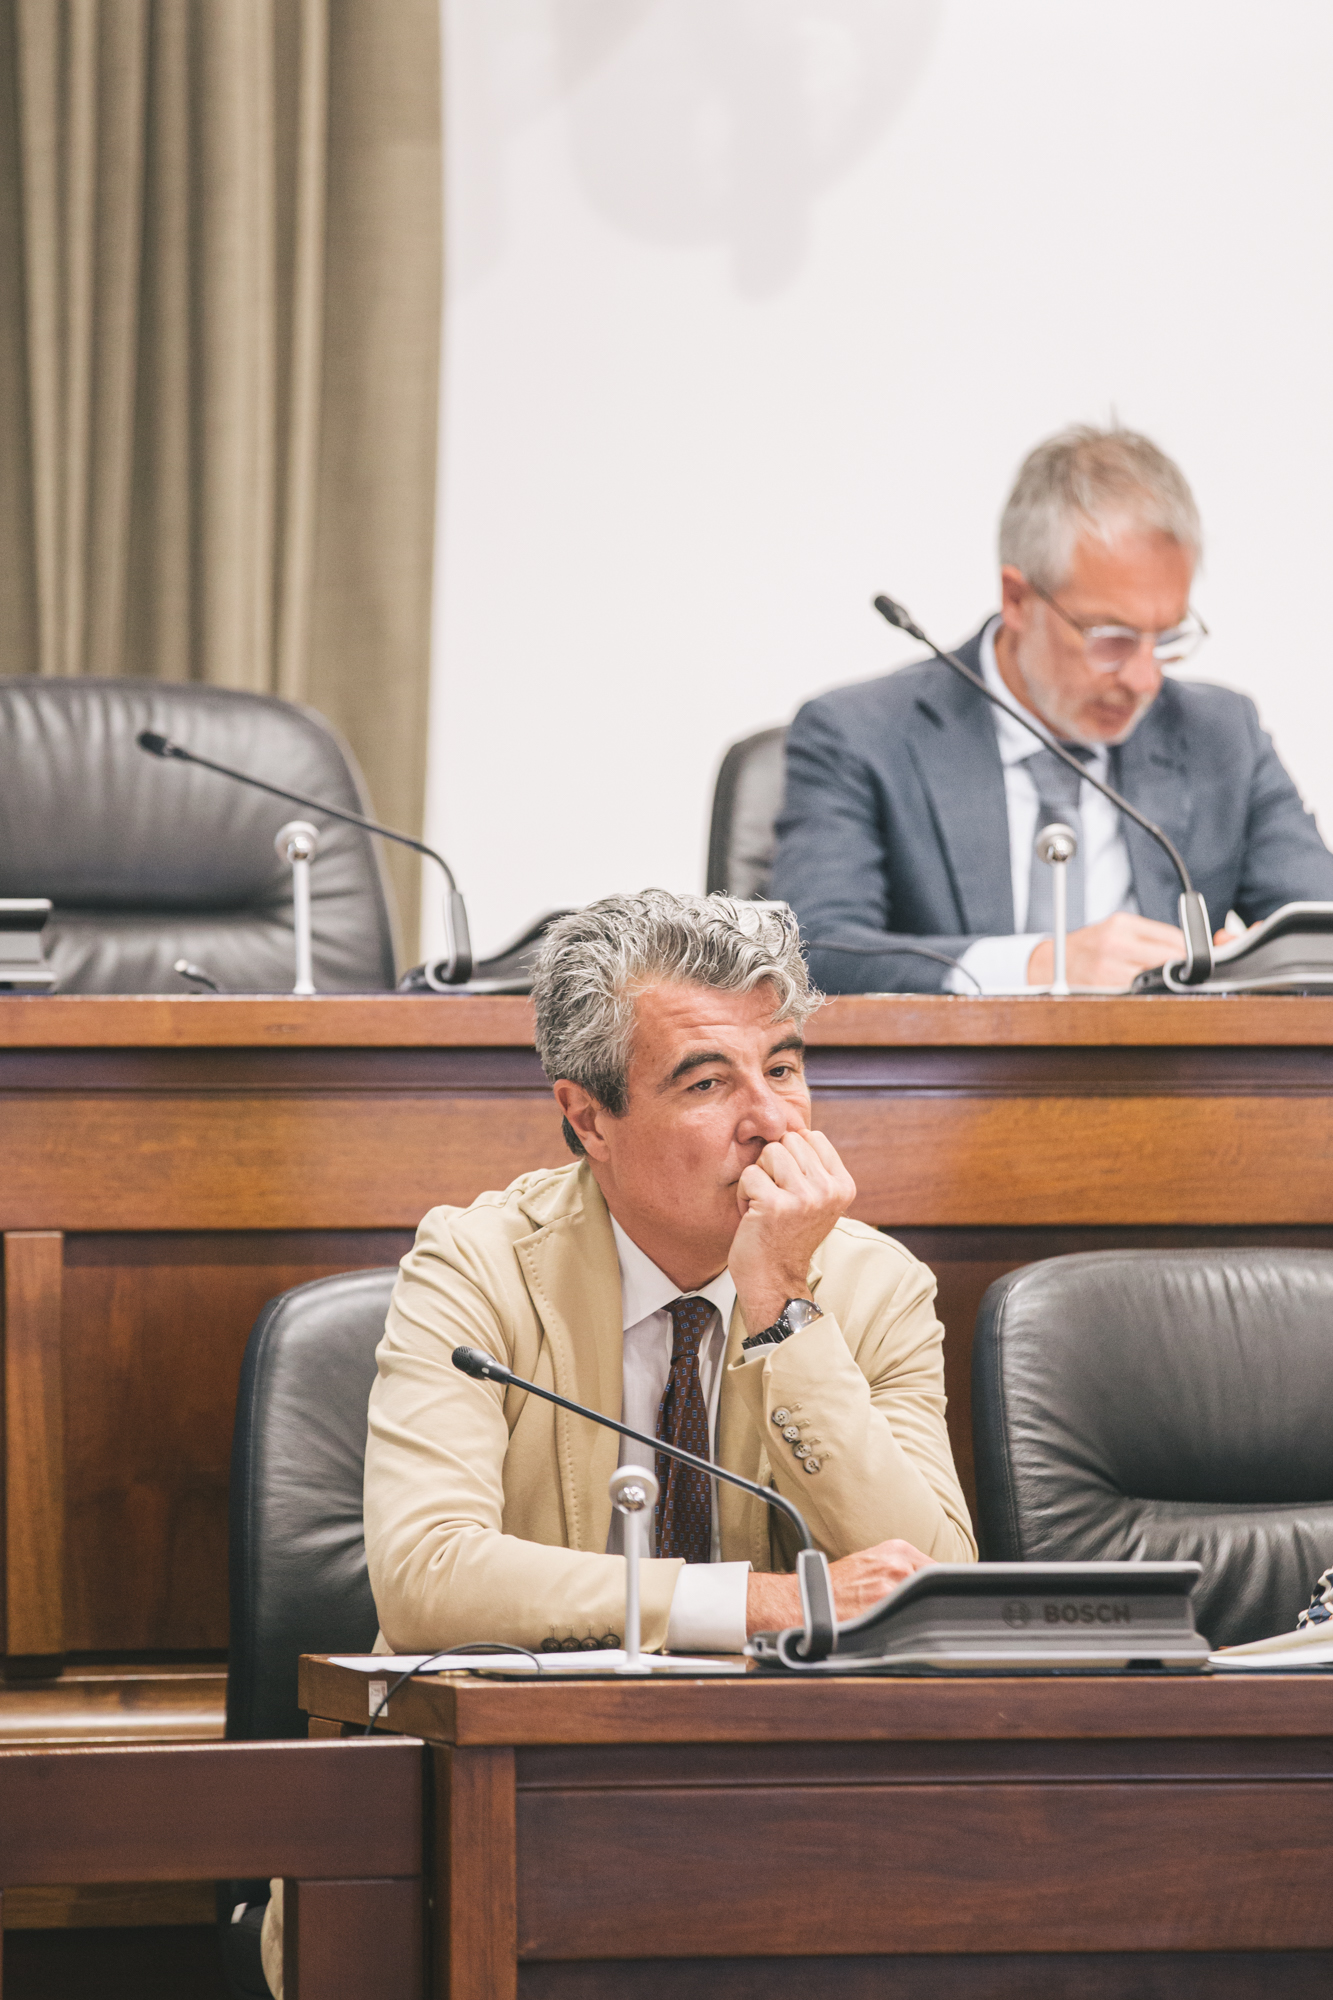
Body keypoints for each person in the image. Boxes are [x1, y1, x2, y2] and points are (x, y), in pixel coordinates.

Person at [261, 891, 974, 1998]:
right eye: (707, 1083)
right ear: (587, 1117)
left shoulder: (872, 1286)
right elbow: (427, 1574)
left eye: (784, 1068)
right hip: (503, 1817)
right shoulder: (475, 1267)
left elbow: (935, 1588)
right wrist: (758, 1604)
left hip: (787, 1828)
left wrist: (783, 1311)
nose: (772, 1122)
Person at [771, 426, 1333, 995]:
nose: (1145, 680)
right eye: (1111, 639)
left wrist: (1260, 961)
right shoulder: (862, 734)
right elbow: (815, 953)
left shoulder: (1222, 735)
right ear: (1017, 599)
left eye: (1166, 638)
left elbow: (1323, 929)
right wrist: (1041, 965)